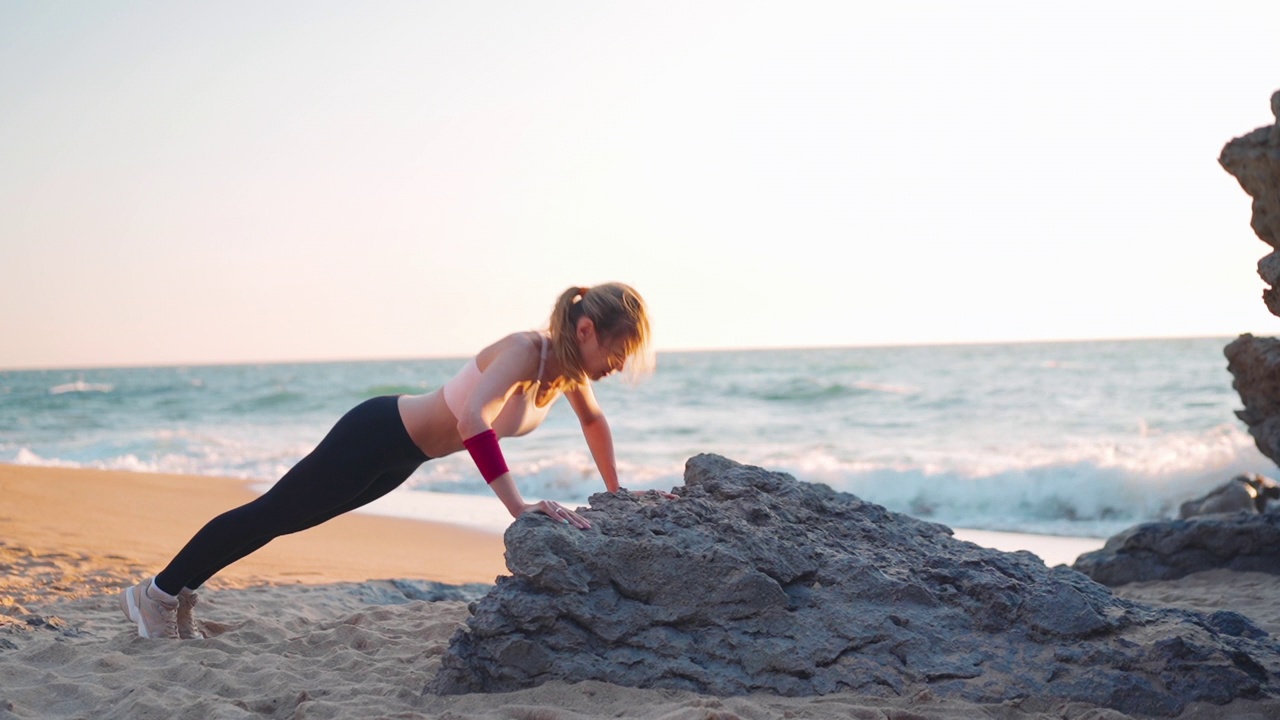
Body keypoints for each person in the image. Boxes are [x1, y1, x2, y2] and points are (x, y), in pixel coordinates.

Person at [119, 283, 655, 640]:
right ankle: (158, 593)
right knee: (270, 513)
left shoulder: (566, 375)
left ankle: (177, 593)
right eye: (618, 349)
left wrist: (615, 491)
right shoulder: (525, 350)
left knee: (282, 522)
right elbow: (472, 418)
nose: (619, 363)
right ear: (586, 330)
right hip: (376, 433)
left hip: (401, 459)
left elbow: (593, 422)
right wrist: (517, 506)